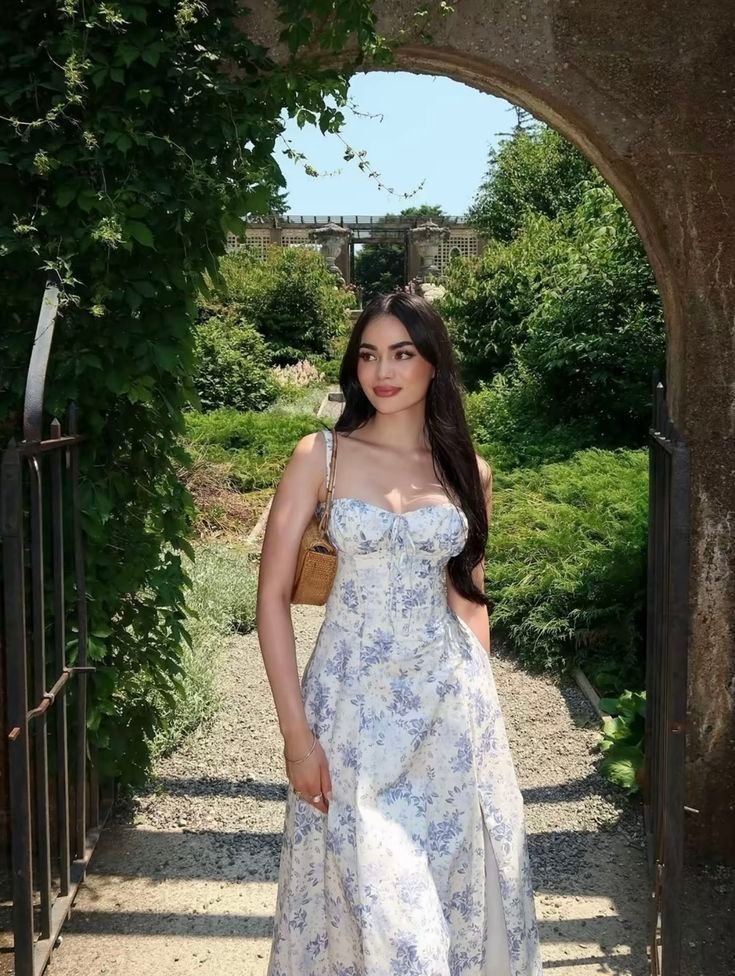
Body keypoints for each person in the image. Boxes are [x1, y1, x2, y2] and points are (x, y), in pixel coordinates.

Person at [257, 292, 544, 976]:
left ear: (433, 365)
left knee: (453, 897)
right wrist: (296, 736)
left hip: (448, 716)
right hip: (350, 716)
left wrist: (481, 710)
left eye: (402, 353)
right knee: (388, 912)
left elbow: (469, 596)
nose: (381, 371)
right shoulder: (319, 456)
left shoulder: (467, 473)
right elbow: (270, 597)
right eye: (367, 354)